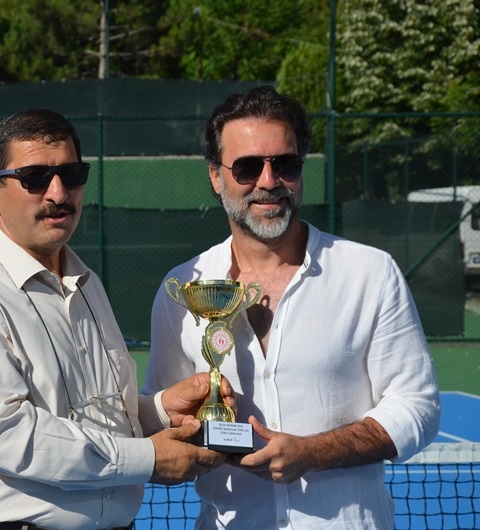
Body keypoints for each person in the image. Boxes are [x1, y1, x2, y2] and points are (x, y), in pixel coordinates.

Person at [0, 108, 230, 530]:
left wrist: (159, 412)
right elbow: (8, 437)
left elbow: (92, 413)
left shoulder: (87, 283)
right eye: (35, 178)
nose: (59, 193)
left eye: (72, 174)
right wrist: (149, 457)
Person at [144, 86, 441, 529]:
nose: (268, 181)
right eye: (247, 167)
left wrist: (311, 453)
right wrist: (182, 434)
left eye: (285, 164)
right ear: (216, 177)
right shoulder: (186, 286)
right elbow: (161, 417)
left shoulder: (371, 272)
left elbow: (418, 407)